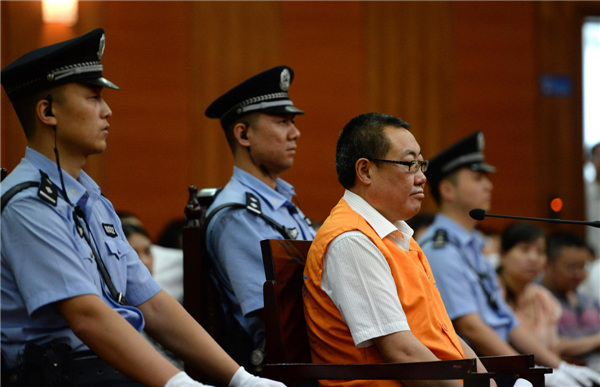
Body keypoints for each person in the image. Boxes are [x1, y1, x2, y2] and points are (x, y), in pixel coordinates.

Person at [0, 28, 284, 387]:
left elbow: (152, 303)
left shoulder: (93, 202)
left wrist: (241, 380)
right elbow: (87, 316)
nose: (108, 111)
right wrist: (179, 384)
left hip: (111, 371)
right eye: (93, 97)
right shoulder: (28, 204)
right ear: (48, 111)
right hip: (63, 375)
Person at [303, 112, 503, 387]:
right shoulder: (352, 240)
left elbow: (446, 335)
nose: (421, 177)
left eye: (422, 165)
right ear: (365, 171)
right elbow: (401, 351)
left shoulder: (399, 237)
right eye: (410, 164)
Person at [418, 131, 600, 387]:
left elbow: (508, 320)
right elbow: (470, 327)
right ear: (448, 189)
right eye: (478, 178)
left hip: (502, 362)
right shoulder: (440, 248)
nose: (488, 185)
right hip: (477, 369)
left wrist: (556, 367)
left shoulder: (471, 245)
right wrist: (528, 372)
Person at [204, 65, 316, 369]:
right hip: (288, 368)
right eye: (281, 122)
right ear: (243, 134)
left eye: (292, 121)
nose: (295, 132)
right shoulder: (237, 215)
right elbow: (277, 319)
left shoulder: (279, 202)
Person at [542, 232, 600, 372]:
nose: (578, 274)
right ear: (548, 265)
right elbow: (552, 346)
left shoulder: (586, 298)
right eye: (571, 267)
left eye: (583, 267)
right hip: (571, 374)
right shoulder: (538, 298)